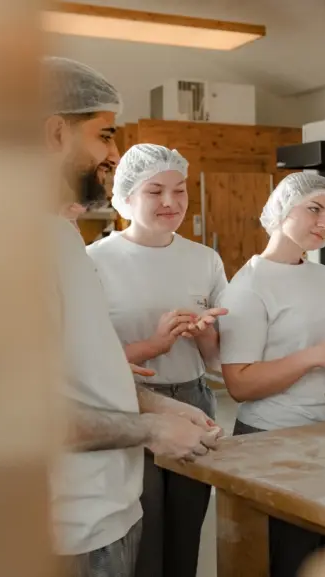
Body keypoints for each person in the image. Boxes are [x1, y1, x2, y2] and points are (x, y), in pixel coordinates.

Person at [44, 56, 217, 577]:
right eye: (104, 134)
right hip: (62, 529)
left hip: (106, 512)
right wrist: (149, 429)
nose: (115, 153)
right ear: (54, 134)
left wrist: (154, 405)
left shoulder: (58, 237)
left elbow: (82, 372)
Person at [218, 172, 325, 577]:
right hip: (273, 441)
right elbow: (239, 384)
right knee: (290, 561)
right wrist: (316, 355)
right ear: (284, 208)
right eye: (314, 210)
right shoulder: (248, 287)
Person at [87, 143, 228, 577]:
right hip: (128, 409)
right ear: (126, 196)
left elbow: (219, 360)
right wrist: (153, 344)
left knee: (187, 537)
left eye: (180, 190)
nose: (171, 202)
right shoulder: (94, 262)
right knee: (142, 538)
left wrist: (206, 335)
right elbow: (84, 361)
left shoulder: (205, 259)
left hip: (196, 402)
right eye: (155, 191)